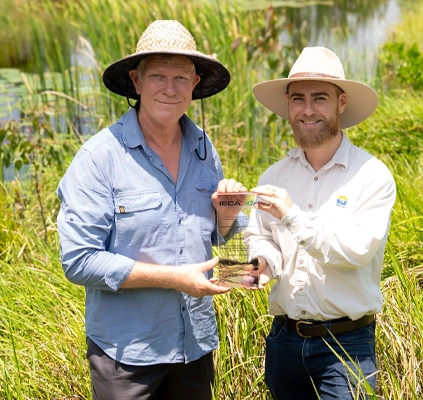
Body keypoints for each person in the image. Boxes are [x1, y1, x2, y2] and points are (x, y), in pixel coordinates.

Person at [56, 20, 247, 399]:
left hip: (195, 345)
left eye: (180, 78)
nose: (169, 88)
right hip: (126, 356)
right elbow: (78, 260)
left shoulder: (203, 148)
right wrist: (175, 279)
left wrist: (228, 214)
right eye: (158, 76)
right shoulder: (99, 158)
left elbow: (215, 237)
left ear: (194, 84)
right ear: (136, 80)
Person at [244, 47, 397, 399]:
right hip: (283, 341)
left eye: (320, 98)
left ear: (341, 103)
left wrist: (292, 215)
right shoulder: (274, 175)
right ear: (287, 104)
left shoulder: (371, 176)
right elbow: (260, 235)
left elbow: (355, 250)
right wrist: (263, 263)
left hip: (346, 346)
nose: (308, 109)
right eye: (298, 99)